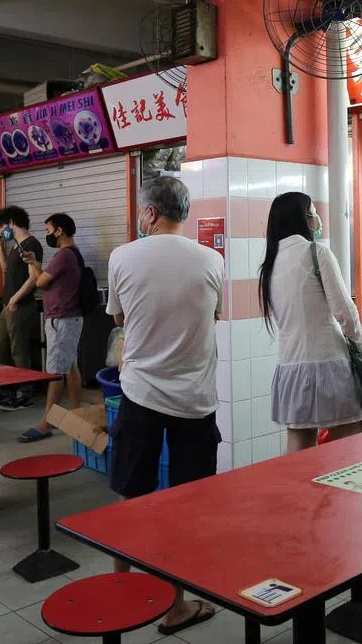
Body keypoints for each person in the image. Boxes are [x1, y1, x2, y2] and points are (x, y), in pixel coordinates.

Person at [258, 191, 362, 594]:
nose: (317, 218)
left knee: (299, 445)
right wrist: (358, 334)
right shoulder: (317, 253)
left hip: (291, 367)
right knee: (352, 452)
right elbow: (343, 309)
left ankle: (299, 533)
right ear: (303, 217)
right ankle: (361, 548)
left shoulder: (270, 262)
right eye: (313, 212)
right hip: (327, 364)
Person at [106, 176, 222, 635]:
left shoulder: (122, 257)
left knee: (130, 498)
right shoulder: (212, 259)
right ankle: (177, 603)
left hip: (140, 395)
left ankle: (120, 590)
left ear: (150, 213)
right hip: (196, 400)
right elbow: (214, 314)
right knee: (186, 505)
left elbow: (118, 318)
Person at [18, 212, 83, 443]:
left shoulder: (63, 255)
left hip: (61, 320)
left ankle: (46, 422)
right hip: (70, 318)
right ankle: (77, 412)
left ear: (59, 231)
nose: (47, 235)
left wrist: (33, 267)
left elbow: (40, 283)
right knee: (70, 366)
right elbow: (44, 279)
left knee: (55, 371)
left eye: (48, 231)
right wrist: (34, 263)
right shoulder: (72, 253)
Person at [0, 206, 43, 410]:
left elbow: (33, 278)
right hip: (8, 305)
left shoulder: (32, 244)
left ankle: (25, 392)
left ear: (11, 222)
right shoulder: (15, 245)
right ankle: (4, 389)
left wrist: (15, 299)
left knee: (18, 350)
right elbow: (5, 269)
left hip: (21, 305)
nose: (2, 229)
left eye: (4, 225)